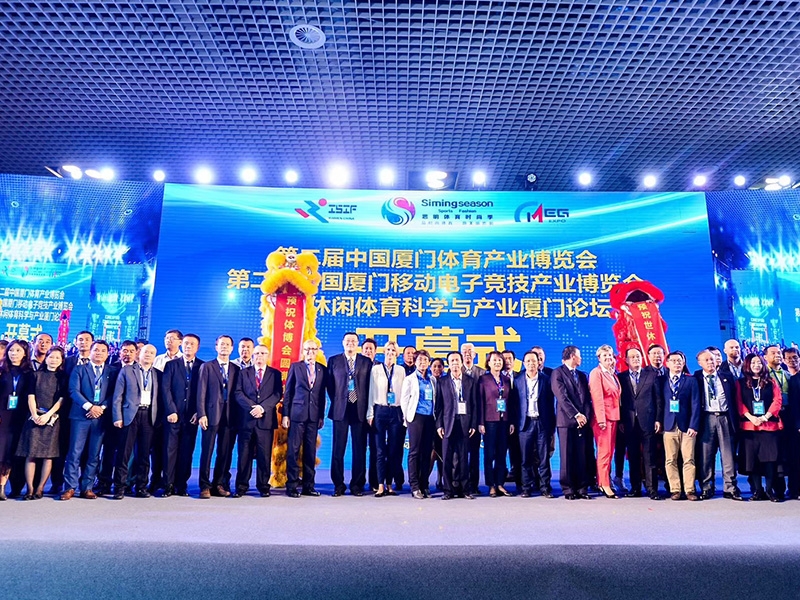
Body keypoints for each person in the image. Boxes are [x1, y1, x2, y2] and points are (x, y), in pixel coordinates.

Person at [62, 340, 117, 500]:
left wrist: (101, 408)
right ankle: (70, 487)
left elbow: (114, 393)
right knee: (74, 452)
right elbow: (73, 391)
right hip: (80, 416)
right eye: (96, 350)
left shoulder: (112, 371)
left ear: (108, 354)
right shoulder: (79, 369)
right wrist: (89, 407)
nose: (99, 353)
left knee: (94, 454)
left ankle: (87, 487)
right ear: (90, 352)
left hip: (100, 417)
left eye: (103, 350)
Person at [232, 345, 282, 498]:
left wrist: (262, 408)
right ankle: (241, 486)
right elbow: (238, 392)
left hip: (265, 421)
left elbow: (277, 394)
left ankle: (263, 486)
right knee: (244, 455)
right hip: (246, 420)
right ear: (252, 356)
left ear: (268, 355)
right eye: (257, 353)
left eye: (263, 353)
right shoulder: (243, 373)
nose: (260, 356)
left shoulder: (275, 374)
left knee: (264, 455)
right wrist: (252, 407)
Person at [16, 346, 65, 499]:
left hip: (52, 419)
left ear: (61, 360)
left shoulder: (63, 377)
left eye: (57, 357)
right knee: (30, 454)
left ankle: (40, 488)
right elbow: (30, 396)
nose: (54, 360)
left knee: (48, 456)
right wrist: (35, 415)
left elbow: (61, 400)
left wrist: (48, 415)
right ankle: (30, 488)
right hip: (34, 417)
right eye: (51, 357)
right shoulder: (35, 375)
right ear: (46, 358)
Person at [327, 332, 372, 497]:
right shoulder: (334, 361)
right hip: (341, 409)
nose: (350, 343)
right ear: (343, 342)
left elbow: (369, 386)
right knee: (338, 449)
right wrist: (339, 399)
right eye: (348, 340)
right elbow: (330, 385)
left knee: (359, 449)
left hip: (359, 409)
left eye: (353, 341)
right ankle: (338, 485)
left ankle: (357, 485)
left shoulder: (366, 361)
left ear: (358, 343)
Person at [112, 344, 160, 499]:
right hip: (129, 416)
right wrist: (117, 417)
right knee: (124, 454)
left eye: (152, 353)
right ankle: (119, 487)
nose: (148, 355)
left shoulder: (158, 374)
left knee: (144, 455)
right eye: (146, 352)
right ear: (139, 353)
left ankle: (141, 487)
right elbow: (117, 396)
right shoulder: (127, 370)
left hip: (149, 416)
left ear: (155, 356)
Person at [695, 348, 742, 500]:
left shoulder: (727, 376)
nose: (710, 362)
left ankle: (730, 488)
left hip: (725, 417)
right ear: (700, 363)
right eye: (706, 360)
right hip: (706, 419)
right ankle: (707, 488)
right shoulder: (695, 378)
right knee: (706, 456)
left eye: (712, 359)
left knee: (728, 455)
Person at [196, 335, 240, 499]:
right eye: (221, 344)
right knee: (207, 452)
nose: (224, 347)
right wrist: (202, 413)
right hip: (211, 415)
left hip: (229, 416)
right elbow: (201, 392)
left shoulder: (236, 369)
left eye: (227, 345)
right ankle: (204, 485)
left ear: (232, 348)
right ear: (216, 347)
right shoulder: (207, 367)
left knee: (224, 452)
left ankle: (218, 484)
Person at [282, 340, 326, 498]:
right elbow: (288, 393)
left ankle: (309, 486)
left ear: (317, 351)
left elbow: (321, 395)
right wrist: (285, 414)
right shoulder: (296, 367)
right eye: (307, 349)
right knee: (293, 451)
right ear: (303, 351)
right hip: (296, 415)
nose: (310, 352)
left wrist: (321, 416)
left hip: (313, 417)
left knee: (310, 452)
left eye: (313, 349)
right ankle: (292, 486)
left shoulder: (322, 369)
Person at [161, 334, 203, 497]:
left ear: (197, 347)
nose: (188, 346)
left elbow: (204, 392)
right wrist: (171, 410)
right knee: (169, 451)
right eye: (185, 343)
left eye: (192, 344)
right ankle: (168, 485)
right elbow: (165, 389)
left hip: (191, 417)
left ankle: (181, 485)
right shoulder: (171, 365)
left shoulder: (202, 366)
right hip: (173, 415)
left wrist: (199, 412)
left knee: (186, 452)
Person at [737, 353, 783, 501]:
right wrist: (751, 417)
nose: (756, 365)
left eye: (759, 363)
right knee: (752, 461)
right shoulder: (740, 383)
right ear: (747, 365)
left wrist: (765, 417)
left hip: (769, 426)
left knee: (770, 460)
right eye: (753, 363)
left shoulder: (771, 382)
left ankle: (769, 490)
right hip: (749, 427)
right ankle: (758, 491)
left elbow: (777, 400)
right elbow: (738, 402)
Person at [619, 347, 664, 499]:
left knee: (650, 457)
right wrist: (621, 421)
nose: (636, 359)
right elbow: (619, 402)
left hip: (648, 421)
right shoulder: (621, 377)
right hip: (629, 422)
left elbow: (658, 400)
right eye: (632, 357)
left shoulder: (651, 375)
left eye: (638, 356)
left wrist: (658, 419)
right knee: (633, 457)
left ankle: (652, 490)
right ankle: (635, 488)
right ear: (626, 360)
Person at [95, 339, 138, 496]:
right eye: (125, 351)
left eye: (131, 351)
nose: (128, 354)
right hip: (110, 416)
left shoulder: (139, 370)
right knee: (108, 450)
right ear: (119, 352)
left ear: (136, 353)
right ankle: (104, 482)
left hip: (131, 417)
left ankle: (126, 483)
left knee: (128, 453)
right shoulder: (111, 369)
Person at [552, 345, 592, 500]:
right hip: (566, 421)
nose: (581, 358)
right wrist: (576, 415)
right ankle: (568, 489)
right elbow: (562, 398)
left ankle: (582, 488)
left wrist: (585, 416)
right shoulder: (558, 373)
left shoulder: (582, 375)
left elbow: (586, 398)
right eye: (579, 355)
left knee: (581, 456)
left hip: (582, 422)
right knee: (567, 455)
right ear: (573, 356)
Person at [514, 350, 556, 498]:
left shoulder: (546, 380)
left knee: (544, 458)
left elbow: (550, 404)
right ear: (524, 363)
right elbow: (515, 404)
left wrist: (551, 425)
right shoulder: (517, 380)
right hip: (525, 424)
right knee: (525, 459)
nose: (531, 364)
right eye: (528, 361)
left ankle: (545, 488)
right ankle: (526, 487)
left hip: (542, 423)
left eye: (534, 361)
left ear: (539, 363)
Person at [367, 341, 406, 497]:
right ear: (384, 352)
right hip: (380, 411)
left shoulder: (401, 370)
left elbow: (403, 394)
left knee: (393, 450)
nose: (390, 352)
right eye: (388, 350)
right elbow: (371, 391)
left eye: (393, 350)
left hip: (396, 412)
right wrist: (370, 413)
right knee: (379, 450)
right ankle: (380, 485)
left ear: (397, 354)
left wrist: (404, 415)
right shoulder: (376, 369)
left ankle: (389, 484)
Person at [435, 351, 476, 500]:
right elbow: (439, 406)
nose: (455, 363)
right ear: (448, 364)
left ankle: (465, 490)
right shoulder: (442, 381)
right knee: (446, 458)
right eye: (452, 361)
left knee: (464, 458)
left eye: (457, 360)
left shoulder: (470, 381)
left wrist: (473, 424)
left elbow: (474, 404)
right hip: (448, 425)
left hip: (465, 424)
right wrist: (439, 425)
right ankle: (448, 490)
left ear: (461, 362)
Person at [661, 351, 701, 501]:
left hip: (687, 427)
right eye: (673, 361)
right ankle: (675, 489)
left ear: (684, 363)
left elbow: (696, 404)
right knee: (670, 460)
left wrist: (694, 425)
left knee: (689, 459)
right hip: (668, 425)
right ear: (667, 363)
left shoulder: (691, 381)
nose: (677, 363)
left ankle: (690, 490)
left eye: (680, 361)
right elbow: (659, 404)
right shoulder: (661, 381)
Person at [477, 351, 515, 497]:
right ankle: (491, 484)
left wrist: (511, 421)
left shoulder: (506, 380)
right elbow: (480, 401)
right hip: (489, 420)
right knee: (489, 454)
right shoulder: (483, 379)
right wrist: (481, 422)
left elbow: (510, 402)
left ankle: (500, 483)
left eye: (500, 360)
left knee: (501, 453)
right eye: (494, 360)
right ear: (489, 363)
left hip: (504, 421)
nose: (498, 363)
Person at [400, 350, 437, 499]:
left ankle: (424, 484)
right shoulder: (410, 379)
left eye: (425, 360)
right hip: (415, 417)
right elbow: (404, 400)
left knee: (427, 452)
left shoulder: (432, 379)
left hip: (430, 418)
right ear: (415, 362)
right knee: (414, 452)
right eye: (420, 360)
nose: (423, 363)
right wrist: (408, 418)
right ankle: (414, 486)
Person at [0, 340, 34, 500]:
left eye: (18, 350)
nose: (14, 353)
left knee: (13, 452)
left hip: (20, 417)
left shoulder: (29, 373)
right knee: (1, 451)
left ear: (25, 353)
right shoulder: (2, 371)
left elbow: (32, 396)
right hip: (3, 416)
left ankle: (9, 486)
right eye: (11, 350)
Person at [589, 344, 622, 499]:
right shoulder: (596, 373)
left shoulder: (613, 374)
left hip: (614, 417)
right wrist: (601, 419)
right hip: (603, 419)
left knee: (610, 452)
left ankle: (604, 480)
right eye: (605, 356)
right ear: (599, 359)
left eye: (610, 355)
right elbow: (597, 398)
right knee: (604, 452)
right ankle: (604, 484)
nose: (609, 358)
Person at [765, 344, 793, 499]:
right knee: (775, 453)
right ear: (765, 357)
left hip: (788, 416)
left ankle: (793, 488)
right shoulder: (764, 376)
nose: (777, 355)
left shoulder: (787, 374)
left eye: (779, 353)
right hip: (771, 417)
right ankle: (777, 489)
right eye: (773, 353)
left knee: (789, 452)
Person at [461, 342, 485, 495]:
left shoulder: (482, 373)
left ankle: (474, 485)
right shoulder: (455, 370)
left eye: (470, 351)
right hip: (459, 419)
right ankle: (461, 484)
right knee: (460, 453)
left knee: (474, 454)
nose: (467, 354)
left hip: (476, 418)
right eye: (464, 351)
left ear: (475, 354)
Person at [361, 337, 379, 492]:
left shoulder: (379, 367)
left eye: (370, 349)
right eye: (365, 348)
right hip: (359, 413)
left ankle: (375, 481)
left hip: (375, 414)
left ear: (375, 352)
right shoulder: (356, 365)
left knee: (375, 448)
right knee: (360, 448)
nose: (368, 351)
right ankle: (359, 481)